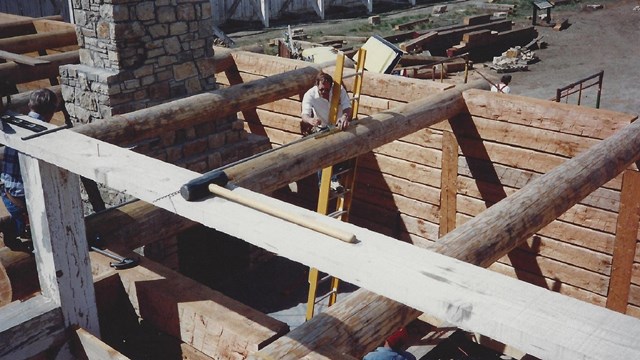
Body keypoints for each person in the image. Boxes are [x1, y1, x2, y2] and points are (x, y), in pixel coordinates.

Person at [0, 88, 58, 250]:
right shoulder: (45, 134)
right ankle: (19, 228)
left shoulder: (16, 123)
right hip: (21, 197)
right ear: (52, 111)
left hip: (7, 189)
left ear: (30, 106)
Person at [301, 72, 353, 191]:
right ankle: (324, 185)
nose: (324, 92)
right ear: (316, 85)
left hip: (338, 126)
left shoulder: (338, 90)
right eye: (322, 89)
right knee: (322, 154)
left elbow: (347, 106)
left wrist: (344, 117)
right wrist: (311, 120)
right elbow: (304, 114)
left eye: (327, 90)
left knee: (346, 149)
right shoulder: (310, 95)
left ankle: (334, 180)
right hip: (323, 128)